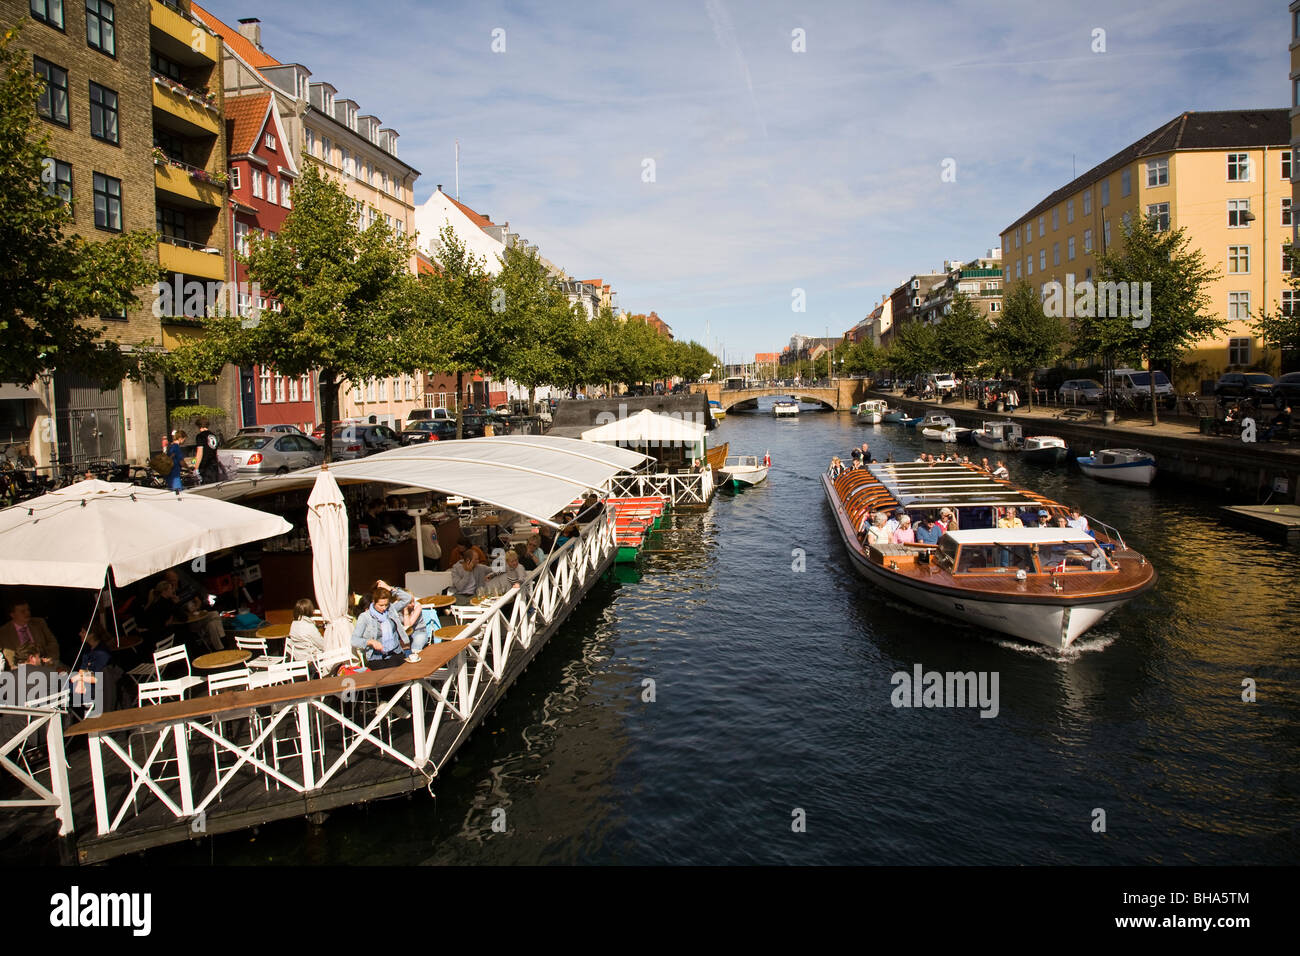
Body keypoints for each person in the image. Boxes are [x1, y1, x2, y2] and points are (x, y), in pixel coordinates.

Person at [350, 580, 419, 667]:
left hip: (395, 653)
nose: (384, 608)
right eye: (381, 605)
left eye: (386, 604)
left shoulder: (391, 610)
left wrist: (390, 588)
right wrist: (370, 642)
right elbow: (354, 640)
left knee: (403, 672)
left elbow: (407, 598)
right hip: (377, 657)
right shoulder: (365, 617)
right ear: (374, 602)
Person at [0, 599, 64, 669]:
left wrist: (50, 659)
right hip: (19, 670)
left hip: (46, 664)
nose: (27, 613)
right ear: (12, 614)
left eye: (28, 610)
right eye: (23, 611)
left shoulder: (39, 623)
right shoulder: (3, 632)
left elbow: (53, 643)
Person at [286, 598, 326, 662]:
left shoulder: (294, 624)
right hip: (312, 660)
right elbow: (323, 645)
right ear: (309, 610)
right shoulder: (309, 626)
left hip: (299, 659)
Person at [194, 419, 220, 485]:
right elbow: (215, 451)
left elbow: (200, 453)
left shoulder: (200, 436)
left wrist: (196, 468)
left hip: (205, 466)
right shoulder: (213, 435)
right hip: (214, 465)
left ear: (199, 426)